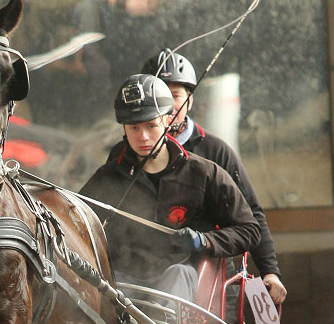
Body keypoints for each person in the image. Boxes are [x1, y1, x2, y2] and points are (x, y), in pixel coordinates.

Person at [80, 74, 261, 303]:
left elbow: (250, 230)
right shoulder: (109, 176)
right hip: (125, 281)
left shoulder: (205, 173)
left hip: (185, 286)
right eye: (134, 128)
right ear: (124, 128)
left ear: (167, 120)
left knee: (178, 274)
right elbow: (77, 220)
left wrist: (204, 240)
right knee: (109, 290)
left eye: (151, 125)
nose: (143, 136)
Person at [140, 50, 287, 304]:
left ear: (190, 100)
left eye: (174, 96)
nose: (166, 105)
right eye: (157, 96)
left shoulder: (215, 152)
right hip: (142, 275)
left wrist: (270, 271)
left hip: (209, 282)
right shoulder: (128, 153)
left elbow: (251, 214)